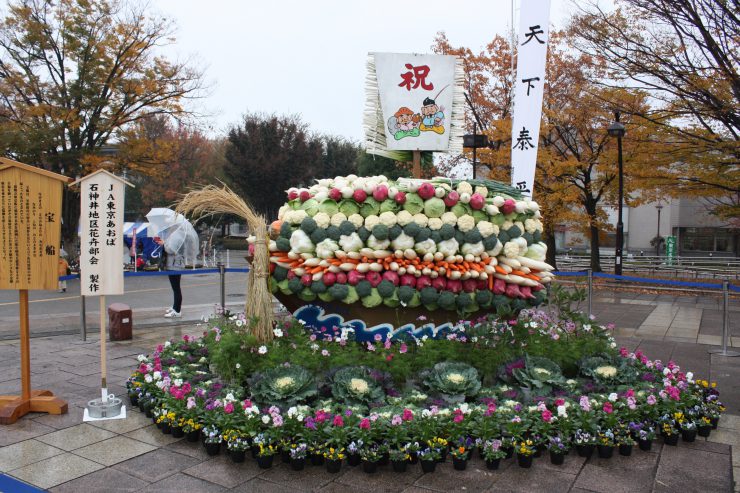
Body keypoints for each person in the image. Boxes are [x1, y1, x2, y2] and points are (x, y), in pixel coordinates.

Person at [154, 236, 185, 318]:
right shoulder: (175, 236)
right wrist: (164, 243)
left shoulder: (178, 237)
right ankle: (175, 307)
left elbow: (171, 250)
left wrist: (163, 244)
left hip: (175, 265)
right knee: (175, 289)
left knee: (176, 288)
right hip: (173, 265)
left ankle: (177, 311)